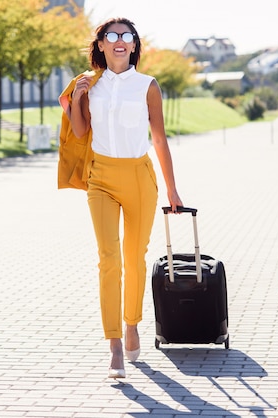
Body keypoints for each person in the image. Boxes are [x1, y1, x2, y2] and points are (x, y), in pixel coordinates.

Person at [63, 17, 183, 379]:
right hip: (100, 177)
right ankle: (114, 342)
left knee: (135, 258)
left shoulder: (147, 85)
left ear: (133, 46)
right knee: (108, 259)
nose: (119, 41)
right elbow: (81, 131)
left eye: (126, 36)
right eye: (111, 36)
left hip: (139, 176)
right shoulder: (89, 83)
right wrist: (77, 99)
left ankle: (132, 323)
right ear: (100, 44)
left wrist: (173, 188)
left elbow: (159, 139)